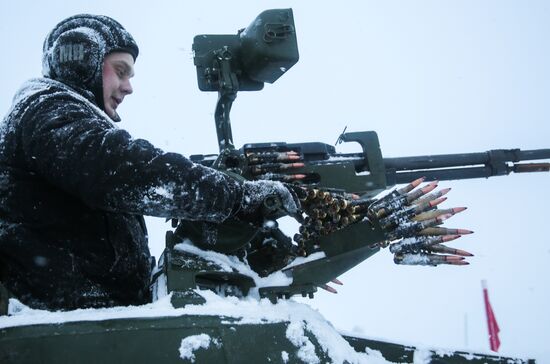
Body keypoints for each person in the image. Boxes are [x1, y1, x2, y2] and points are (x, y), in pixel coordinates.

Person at [0, 14, 300, 311]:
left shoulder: (55, 124)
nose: (128, 87)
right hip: (59, 327)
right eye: (121, 71)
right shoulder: (44, 108)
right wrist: (236, 198)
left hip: (86, 317)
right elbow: (122, 170)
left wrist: (244, 240)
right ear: (79, 62)